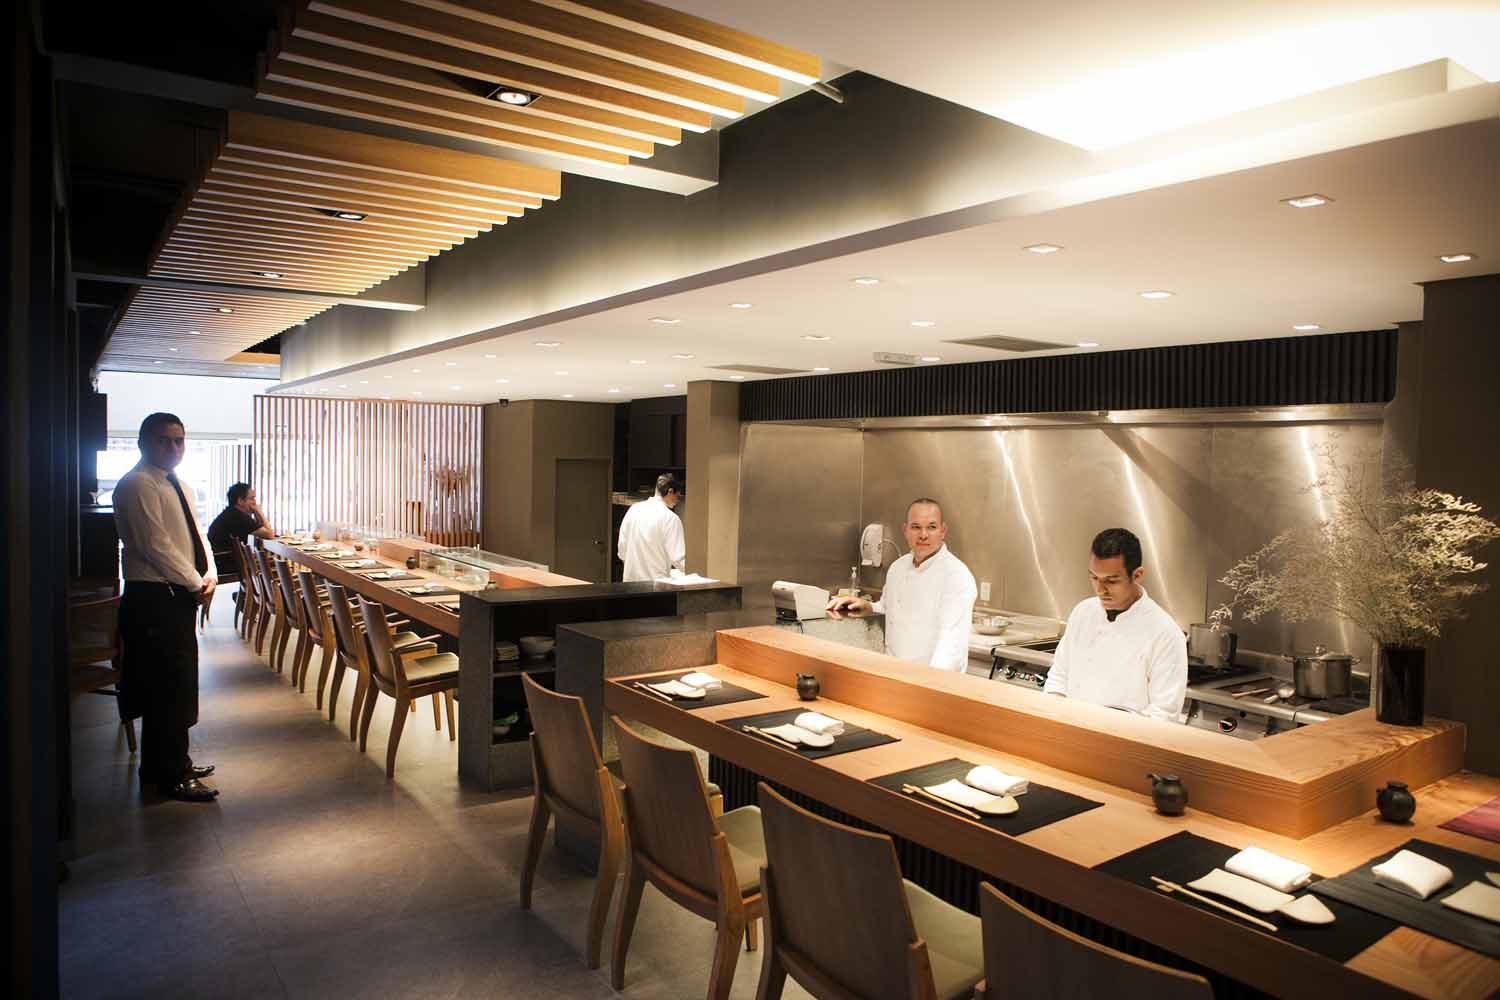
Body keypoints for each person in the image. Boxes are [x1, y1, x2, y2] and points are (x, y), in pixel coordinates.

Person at [112, 412, 220, 801]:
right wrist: (195, 582)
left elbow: (197, 535)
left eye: (179, 440)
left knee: (179, 684)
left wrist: (210, 575)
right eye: (163, 440)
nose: (173, 447)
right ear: (143, 442)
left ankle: (173, 763)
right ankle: (168, 775)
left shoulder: (179, 484)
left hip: (178, 594)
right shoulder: (136, 484)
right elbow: (154, 546)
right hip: (154, 598)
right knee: (165, 689)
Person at [1043, 528, 1187, 722]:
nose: (1100, 590)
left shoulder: (1165, 633)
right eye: (1094, 578)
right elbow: (1058, 677)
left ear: (1137, 575)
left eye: (1111, 581)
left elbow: (1163, 715)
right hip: (1070, 730)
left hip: (1125, 738)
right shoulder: (1083, 612)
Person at [828, 498, 977, 673]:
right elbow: (889, 609)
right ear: (905, 530)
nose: (923, 535)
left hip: (928, 680)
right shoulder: (897, 567)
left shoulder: (956, 576)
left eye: (931, 527)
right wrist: (868, 606)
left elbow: (951, 650)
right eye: (916, 527)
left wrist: (927, 684)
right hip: (893, 673)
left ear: (943, 531)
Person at [617, 474, 687, 582]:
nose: (677, 500)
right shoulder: (670, 518)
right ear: (670, 491)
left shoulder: (634, 509)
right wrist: (697, 573)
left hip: (630, 581)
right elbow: (678, 558)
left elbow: (622, 548)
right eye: (677, 495)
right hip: (655, 584)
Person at [207, 482, 275, 577]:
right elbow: (269, 535)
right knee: (271, 567)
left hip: (221, 560)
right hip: (225, 563)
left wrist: (256, 512)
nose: (255, 502)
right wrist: (259, 511)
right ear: (240, 501)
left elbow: (261, 528)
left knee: (266, 563)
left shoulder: (232, 513)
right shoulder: (238, 517)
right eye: (251, 498)